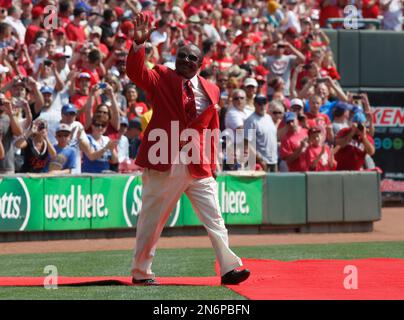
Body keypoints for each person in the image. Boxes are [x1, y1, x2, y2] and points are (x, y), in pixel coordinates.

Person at [125, 13, 249, 286]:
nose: (185, 60)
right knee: (152, 221)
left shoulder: (212, 90)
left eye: (192, 58)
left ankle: (229, 268)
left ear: (201, 64)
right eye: (181, 56)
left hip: (198, 163)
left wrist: (213, 164)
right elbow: (136, 72)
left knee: (215, 218)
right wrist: (138, 44)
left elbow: (212, 130)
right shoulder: (161, 76)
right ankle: (141, 272)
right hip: (163, 159)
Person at [244, 95, 278, 172]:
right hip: (260, 162)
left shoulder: (268, 117)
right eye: (259, 103)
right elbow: (246, 143)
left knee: (275, 183)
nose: (262, 106)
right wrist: (259, 159)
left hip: (273, 160)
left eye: (264, 103)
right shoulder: (251, 120)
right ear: (255, 104)